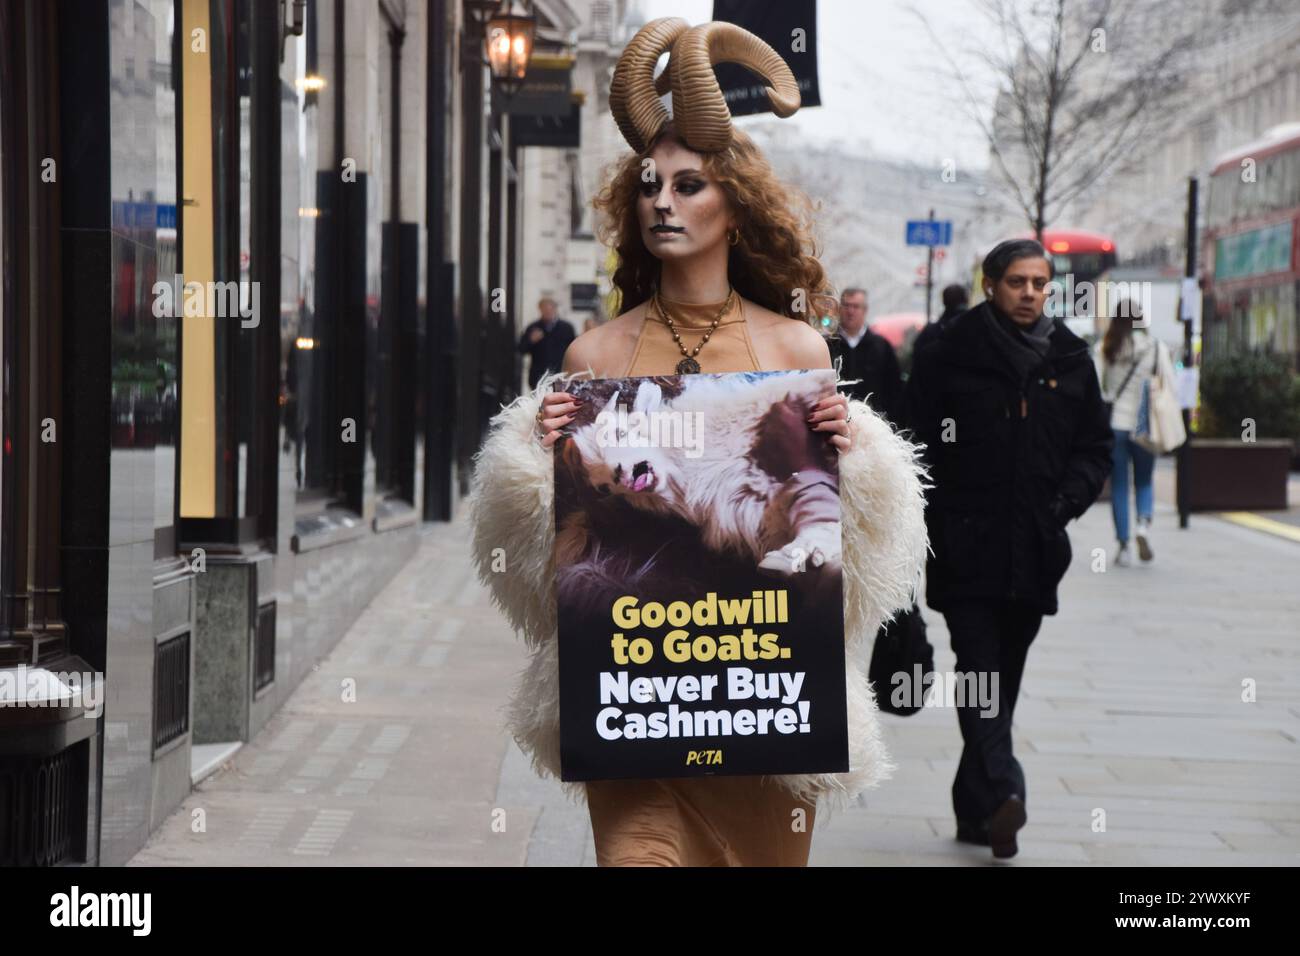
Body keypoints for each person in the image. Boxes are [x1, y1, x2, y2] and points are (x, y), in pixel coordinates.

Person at [467, 17, 928, 867]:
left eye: (688, 186)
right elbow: (548, 569)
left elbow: (845, 562)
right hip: (637, 700)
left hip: (761, 709)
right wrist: (539, 463)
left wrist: (851, 455)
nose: (663, 203)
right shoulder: (593, 357)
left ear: (734, 207)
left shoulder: (796, 352)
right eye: (649, 186)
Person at [905, 238, 1112, 859]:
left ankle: (976, 812)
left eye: (1040, 283)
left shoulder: (1070, 358)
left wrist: (1062, 506)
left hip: (1035, 550)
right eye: (1017, 281)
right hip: (964, 548)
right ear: (990, 284)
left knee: (1003, 680)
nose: (1029, 293)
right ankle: (1005, 791)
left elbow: (1093, 448)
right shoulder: (947, 354)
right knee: (979, 674)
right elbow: (914, 444)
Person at [1093, 301, 1176, 566]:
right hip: (1144, 422)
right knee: (1144, 480)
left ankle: (1123, 546)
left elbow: (1096, 387)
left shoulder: (1105, 347)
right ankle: (1142, 525)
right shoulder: (1155, 347)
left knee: (1119, 484)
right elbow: (1170, 384)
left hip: (1116, 420)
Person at [827, 287, 903, 424]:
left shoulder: (881, 346)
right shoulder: (828, 345)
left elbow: (894, 389)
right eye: (846, 305)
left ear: (865, 310)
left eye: (856, 306)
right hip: (834, 422)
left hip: (874, 423)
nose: (850, 311)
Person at [517, 297, 576, 390]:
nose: (547, 312)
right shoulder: (533, 327)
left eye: (550, 309)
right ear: (540, 310)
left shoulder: (566, 328)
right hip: (538, 377)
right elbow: (521, 349)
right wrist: (531, 340)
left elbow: (573, 350)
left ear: (555, 309)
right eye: (544, 309)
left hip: (560, 375)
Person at [912, 283, 970, 357]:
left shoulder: (930, 332)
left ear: (944, 301)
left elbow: (919, 356)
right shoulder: (976, 328)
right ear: (966, 300)